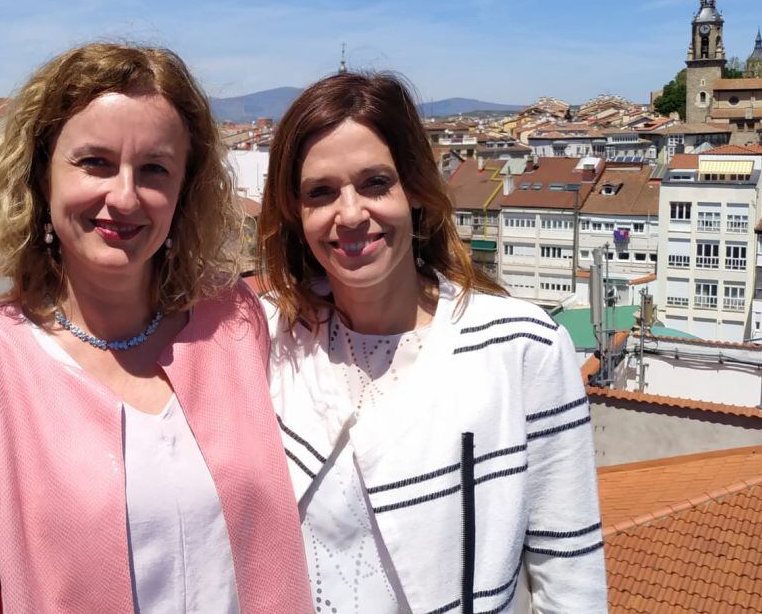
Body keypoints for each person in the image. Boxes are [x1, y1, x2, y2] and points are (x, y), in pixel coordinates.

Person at [0, 43, 312, 613]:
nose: (124, 195)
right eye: (95, 163)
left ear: (184, 190)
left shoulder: (235, 322)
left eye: (155, 169)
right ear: (40, 175)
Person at [259, 72, 607, 614]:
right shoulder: (268, 343)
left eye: (375, 183)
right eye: (320, 192)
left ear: (416, 192)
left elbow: (570, 578)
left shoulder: (521, 349)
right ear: (294, 213)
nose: (350, 214)